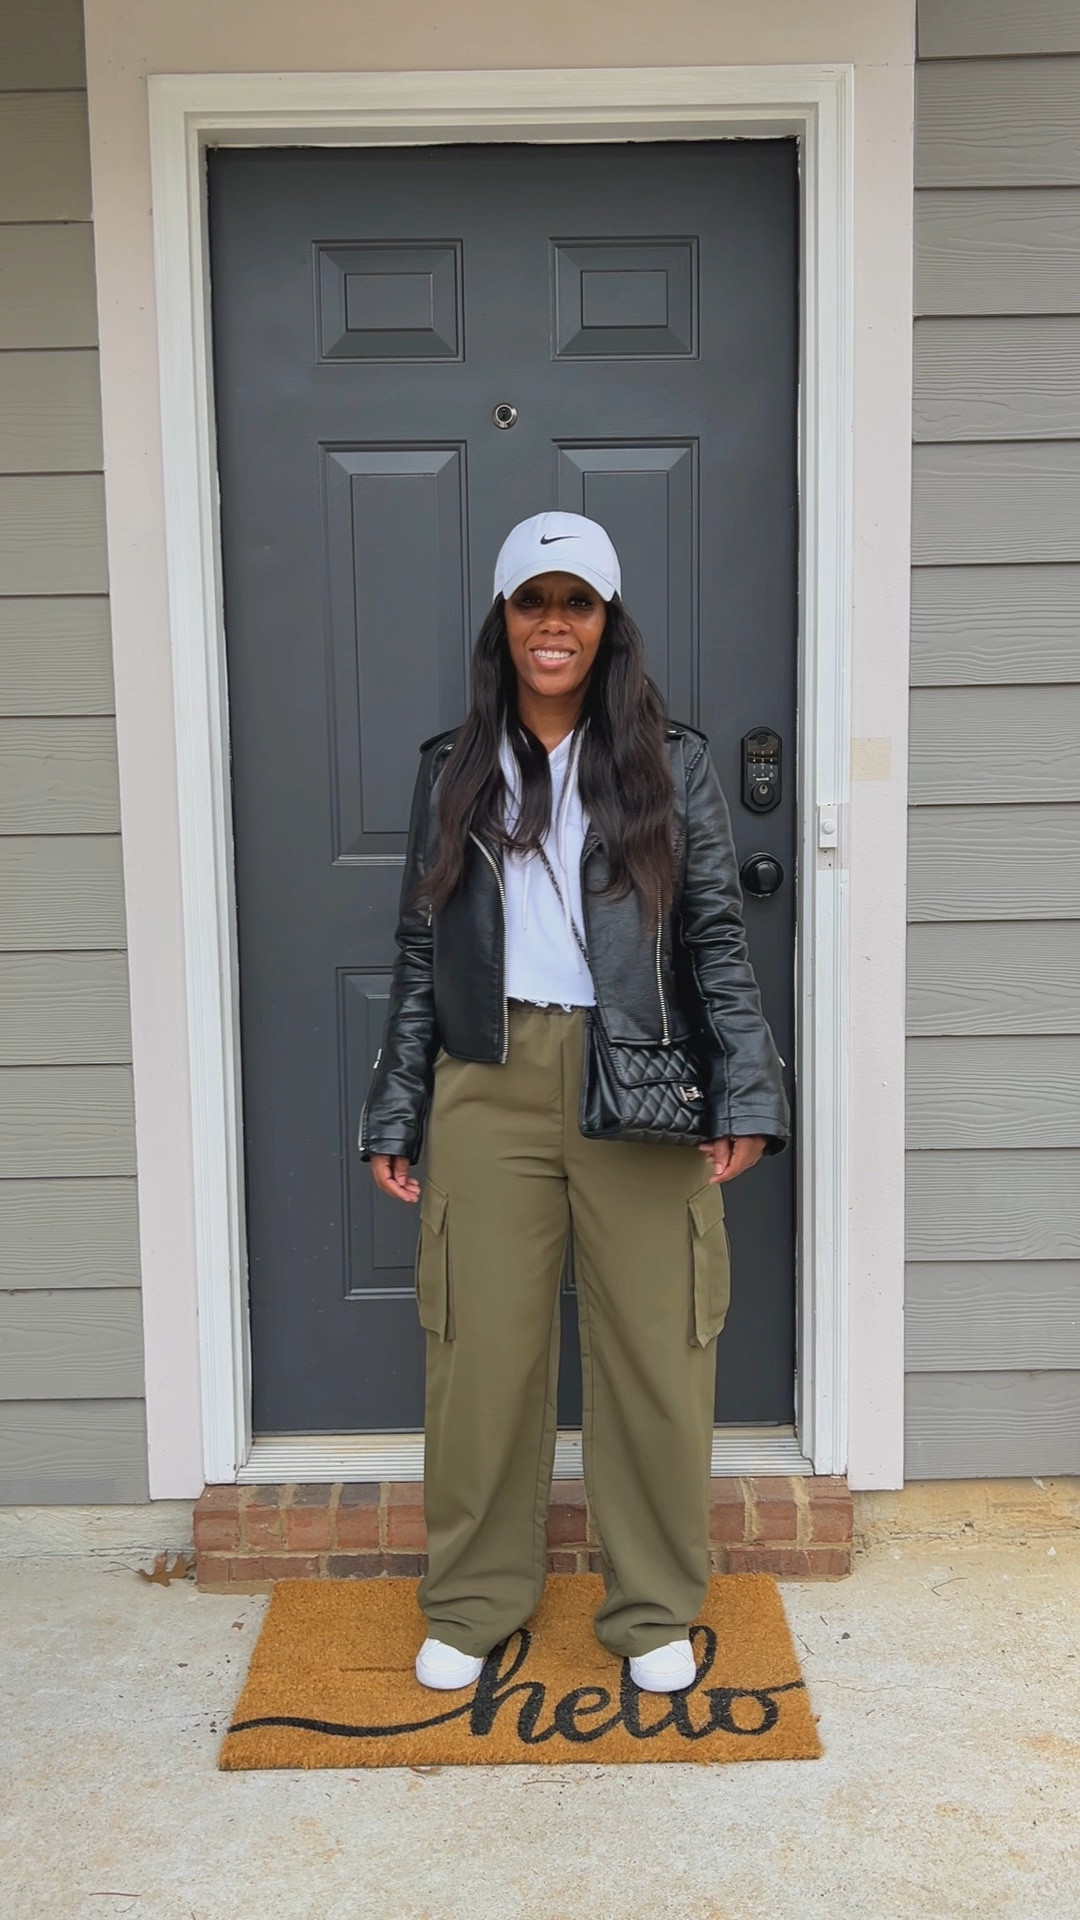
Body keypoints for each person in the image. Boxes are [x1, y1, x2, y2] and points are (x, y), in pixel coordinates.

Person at [359, 510, 790, 1695]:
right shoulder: (450, 769)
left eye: (578, 603)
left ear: (608, 625)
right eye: (533, 601)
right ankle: (473, 1600)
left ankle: (652, 1606)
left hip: (639, 1074)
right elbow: (416, 952)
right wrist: (398, 1106)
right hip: (486, 1085)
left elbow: (713, 935)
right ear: (503, 622)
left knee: (658, 1350)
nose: (555, 624)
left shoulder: (674, 765)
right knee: (479, 1352)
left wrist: (745, 1086)